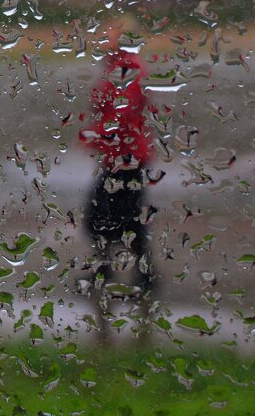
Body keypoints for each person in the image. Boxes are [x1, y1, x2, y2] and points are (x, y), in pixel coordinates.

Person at [77, 20, 158, 342]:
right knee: (122, 220)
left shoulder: (127, 69)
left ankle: (122, 274)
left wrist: (100, 137)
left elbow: (123, 113)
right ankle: (132, 274)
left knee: (104, 218)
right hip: (122, 157)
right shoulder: (118, 67)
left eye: (109, 33)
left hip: (126, 159)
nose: (102, 38)